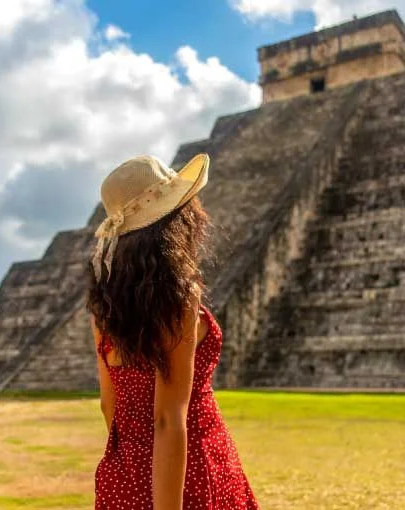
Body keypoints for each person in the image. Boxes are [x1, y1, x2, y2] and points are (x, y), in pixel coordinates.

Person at [86, 153, 260, 509]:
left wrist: (134, 469)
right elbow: (168, 419)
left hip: (125, 471)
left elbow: (110, 405)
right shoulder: (177, 299)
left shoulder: (103, 307)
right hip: (191, 469)